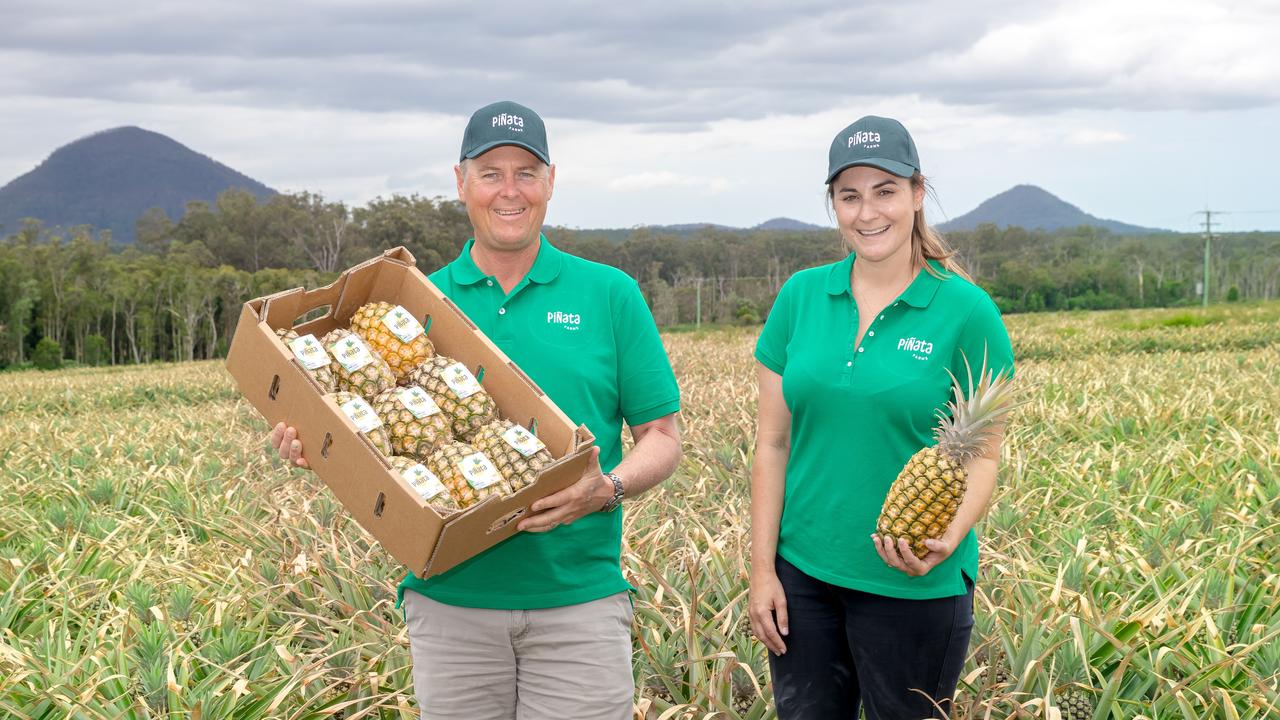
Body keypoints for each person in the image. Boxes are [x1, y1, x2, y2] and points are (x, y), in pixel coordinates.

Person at [270, 100, 682, 720]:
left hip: (579, 600)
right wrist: (318, 446)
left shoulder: (610, 294)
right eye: (490, 172)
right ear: (461, 182)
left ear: (550, 182)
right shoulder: (417, 306)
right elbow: (377, 434)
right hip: (451, 601)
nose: (508, 190)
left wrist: (609, 488)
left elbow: (663, 436)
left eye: (526, 172)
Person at [746, 115, 1014, 719]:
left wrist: (948, 538)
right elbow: (772, 445)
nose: (868, 213)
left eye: (885, 191)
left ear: (918, 194)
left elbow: (986, 453)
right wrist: (763, 570)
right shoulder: (800, 297)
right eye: (850, 196)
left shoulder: (967, 311)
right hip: (804, 576)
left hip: (912, 577)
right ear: (834, 205)